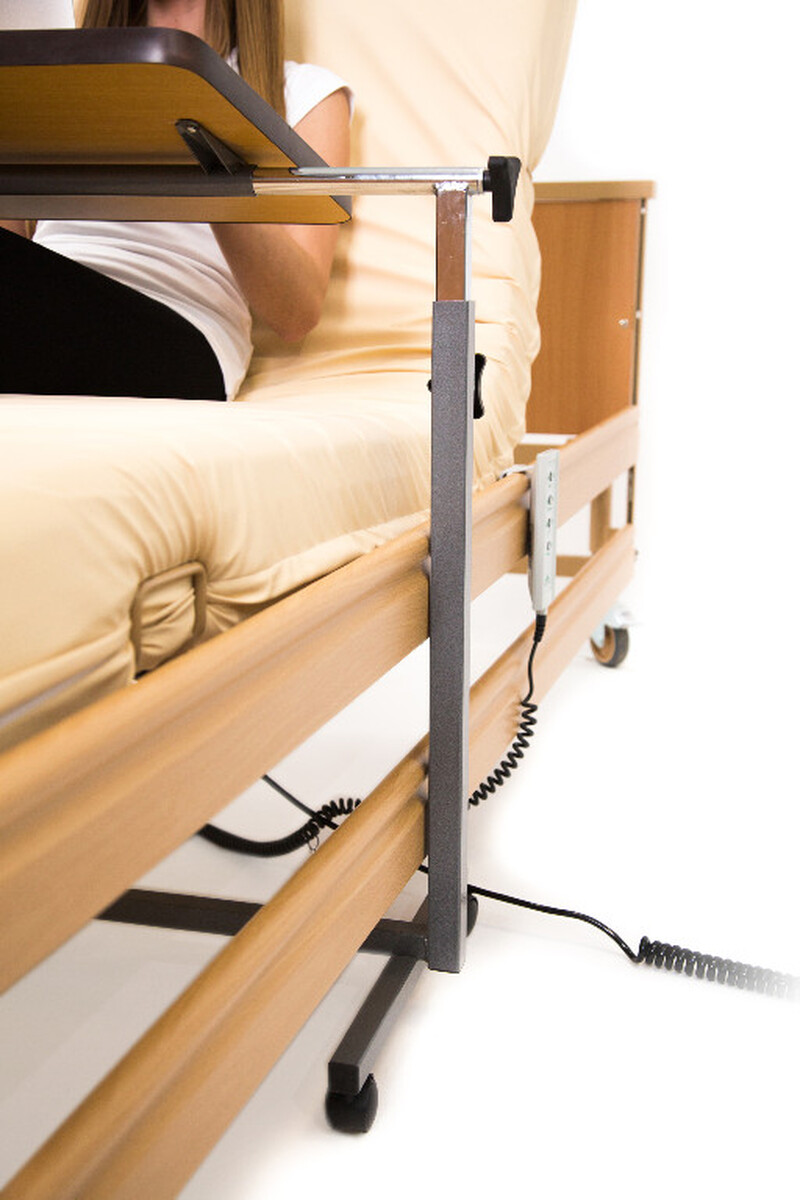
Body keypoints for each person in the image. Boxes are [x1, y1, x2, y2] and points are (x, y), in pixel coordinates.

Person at [0, 0, 351, 400]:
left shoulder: (307, 94)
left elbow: (296, 314)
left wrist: (206, 137)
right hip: (44, 299)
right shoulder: (72, 72)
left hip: (182, 332)